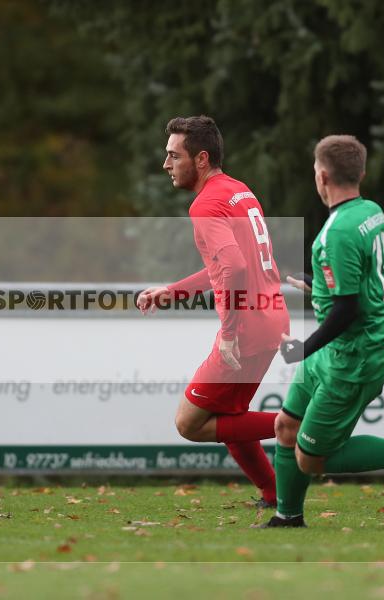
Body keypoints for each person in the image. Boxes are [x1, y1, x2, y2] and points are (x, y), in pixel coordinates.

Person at [261, 135, 384, 528]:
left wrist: (300, 350)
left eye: (314, 170)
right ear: (360, 172)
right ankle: (287, 517)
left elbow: (347, 309)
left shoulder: (335, 234)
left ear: (322, 176)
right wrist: (321, 286)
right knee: (285, 426)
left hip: (353, 356)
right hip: (338, 350)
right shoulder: (371, 211)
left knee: (309, 459)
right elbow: (359, 285)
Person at [138, 116, 290, 507]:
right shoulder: (238, 190)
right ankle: (274, 492)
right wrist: (172, 292)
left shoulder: (205, 204)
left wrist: (228, 332)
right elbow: (227, 265)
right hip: (270, 319)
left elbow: (235, 268)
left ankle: (301, 424)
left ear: (200, 158)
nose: (166, 163)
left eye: (174, 155)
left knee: (189, 423)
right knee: (231, 416)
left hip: (248, 327)